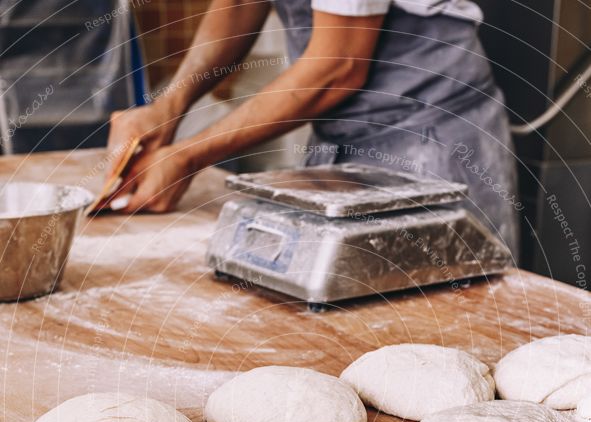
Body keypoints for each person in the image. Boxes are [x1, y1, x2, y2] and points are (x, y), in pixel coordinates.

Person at [106, 0, 519, 257]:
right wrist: (169, 106)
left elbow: (337, 66)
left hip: (428, 143)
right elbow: (238, 5)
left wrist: (189, 155)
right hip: (339, 142)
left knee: (442, 332)